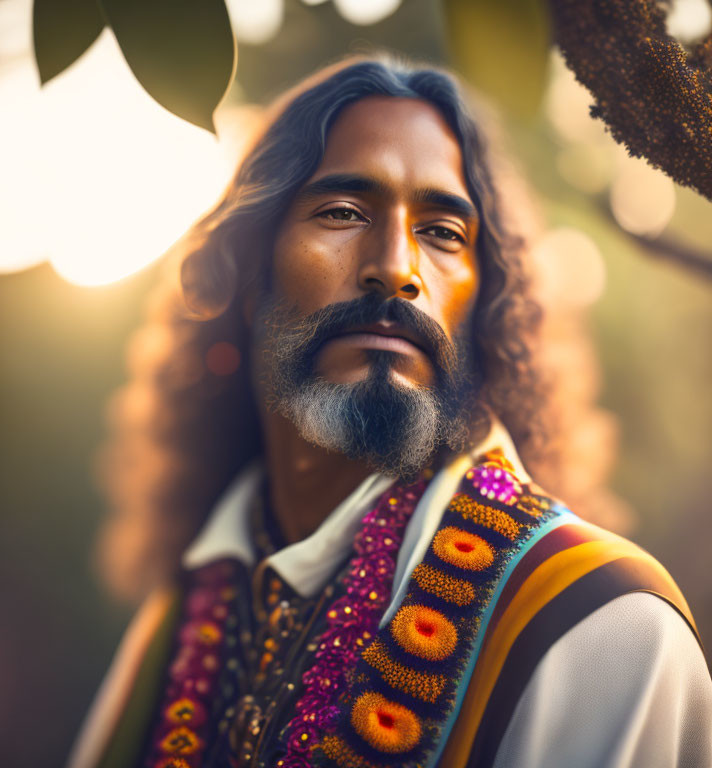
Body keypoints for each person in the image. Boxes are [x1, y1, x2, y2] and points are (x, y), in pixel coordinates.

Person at [68, 57, 711, 768]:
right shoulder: (179, 629)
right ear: (246, 277)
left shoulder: (601, 631)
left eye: (442, 232)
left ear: (484, 305)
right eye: (342, 213)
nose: (396, 266)